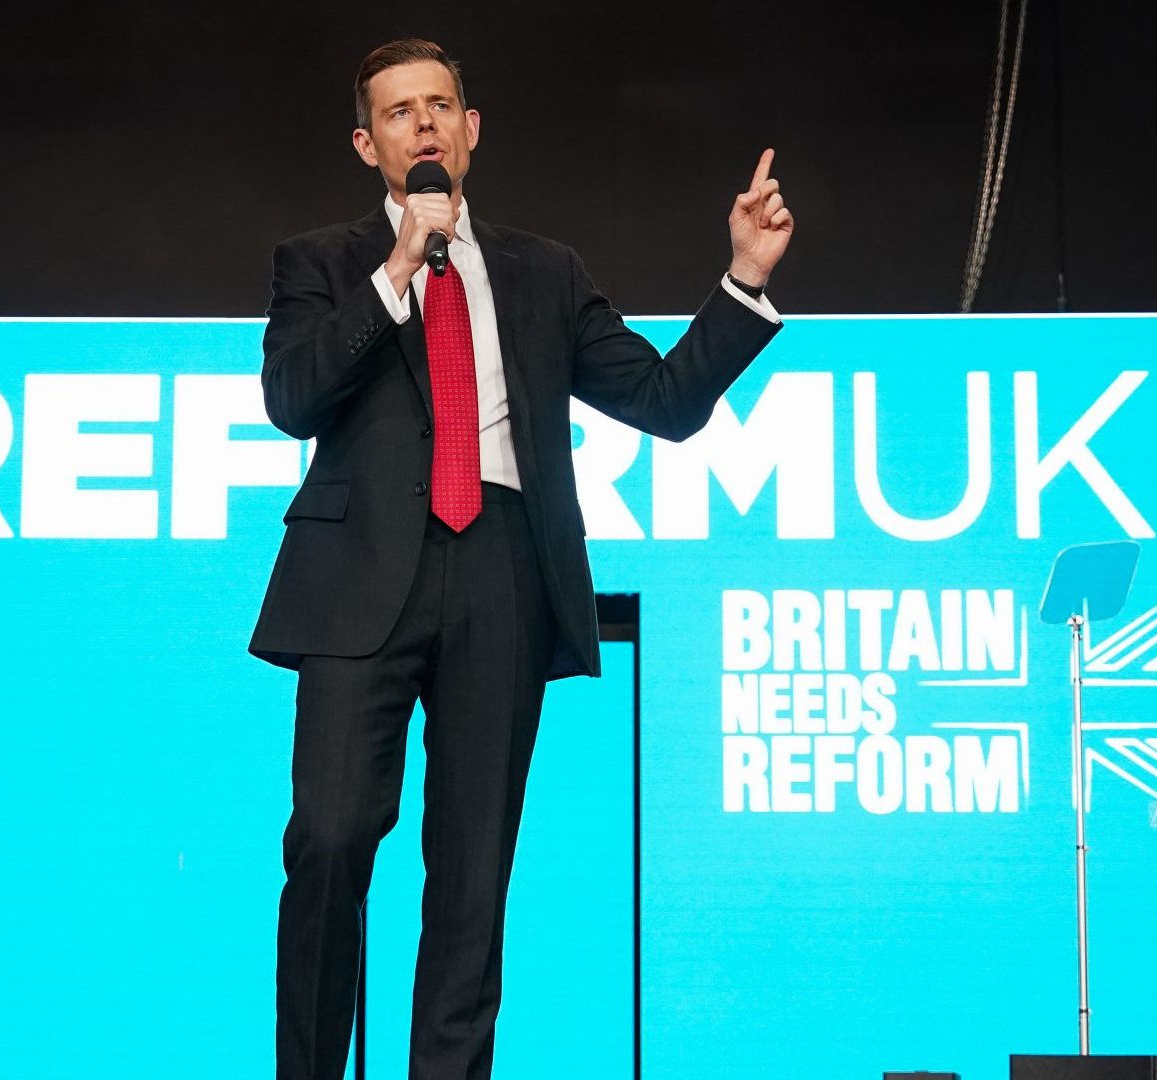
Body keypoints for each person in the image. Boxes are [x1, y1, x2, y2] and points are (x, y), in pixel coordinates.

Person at [249, 37, 793, 1080]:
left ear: (471, 130)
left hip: (500, 569)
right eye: (400, 111)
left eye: (441, 105)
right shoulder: (318, 261)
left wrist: (743, 281)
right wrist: (399, 269)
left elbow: (664, 402)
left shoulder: (546, 272)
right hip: (359, 580)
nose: (424, 125)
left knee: (471, 882)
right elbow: (291, 399)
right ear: (369, 144)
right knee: (328, 838)